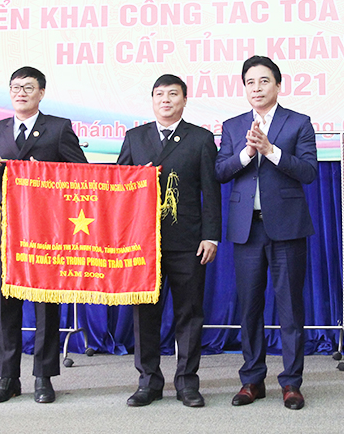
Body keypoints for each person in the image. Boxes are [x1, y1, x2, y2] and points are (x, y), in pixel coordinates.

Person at [0, 66, 88, 403]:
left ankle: (43, 377)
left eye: (28, 87)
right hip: (9, 232)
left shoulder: (58, 128)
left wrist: (48, 174)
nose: (20, 93)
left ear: (41, 93)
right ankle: (7, 378)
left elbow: (80, 172)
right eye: (15, 87)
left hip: (46, 233)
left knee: (46, 308)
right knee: (6, 307)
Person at [214, 56, 317, 410]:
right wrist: (246, 153)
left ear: (278, 85)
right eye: (250, 82)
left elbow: (308, 172)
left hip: (287, 228)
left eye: (263, 81)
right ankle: (252, 380)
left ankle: (291, 383)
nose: (256, 88)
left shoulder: (298, 123)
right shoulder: (233, 126)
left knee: (290, 309)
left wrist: (271, 151)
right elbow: (220, 172)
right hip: (247, 230)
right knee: (250, 309)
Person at [117, 74, 221, 408]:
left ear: (184, 100)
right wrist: (137, 177)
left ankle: (187, 383)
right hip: (143, 244)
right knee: (144, 315)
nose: (166, 100)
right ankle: (148, 382)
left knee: (189, 313)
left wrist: (211, 236)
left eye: (173, 94)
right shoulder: (135, 138)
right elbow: (117, 188)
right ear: (152, 100)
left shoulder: (201, 138)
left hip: (188, 241)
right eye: (159, 94)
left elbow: (211, 191)